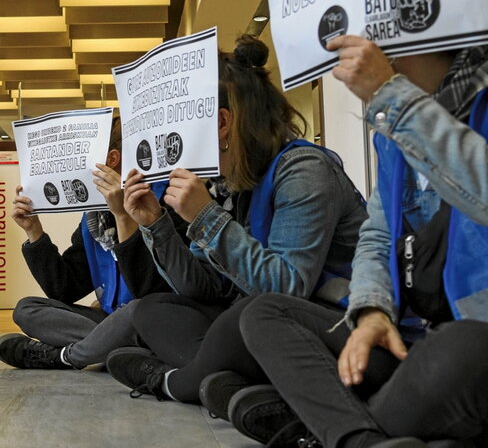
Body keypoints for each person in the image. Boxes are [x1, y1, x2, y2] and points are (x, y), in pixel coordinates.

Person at [225, 38, 488, 448]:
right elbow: (378, 234)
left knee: (462, 349)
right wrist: (370, 311)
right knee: (265, 314)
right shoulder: (393, 125)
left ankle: (325, 424)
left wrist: (393, 95)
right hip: (421, 340)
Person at [103, 35, 367, 409]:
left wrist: (206, 217)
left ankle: (178, 382)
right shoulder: (235, 182)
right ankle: (232, 381)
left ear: (222, 123)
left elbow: (286, 288)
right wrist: (155, 224)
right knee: (154, 310)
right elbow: (202, 288)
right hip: (258, 320)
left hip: (331, 321)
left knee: (244, 316)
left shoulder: (304, 169)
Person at [0, 113, 189, 370]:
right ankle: (115, 349)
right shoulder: (94, 217)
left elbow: (149, 291)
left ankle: (65, 356)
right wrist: (34, 231)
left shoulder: (162, 200)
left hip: (152, 317)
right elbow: (65, 290)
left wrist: (123, 216)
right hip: (111, 320)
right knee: (26, 308)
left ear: (111, 159)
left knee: (136, 311)